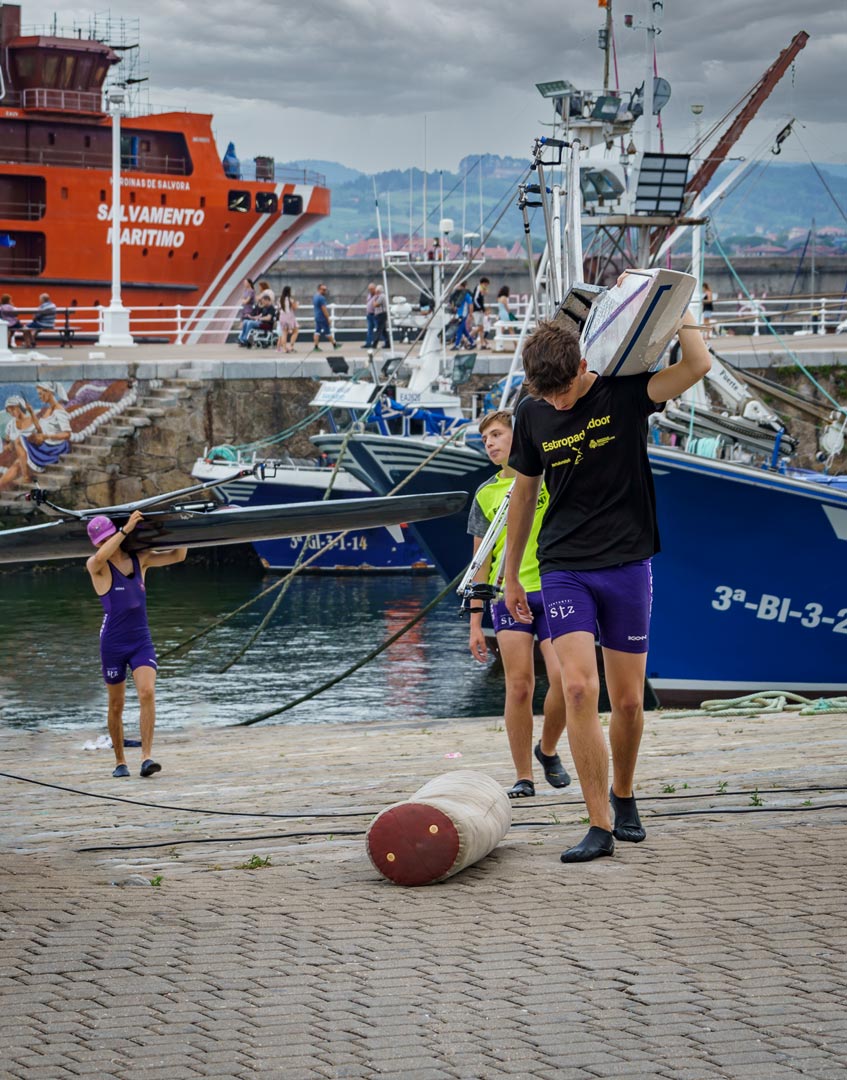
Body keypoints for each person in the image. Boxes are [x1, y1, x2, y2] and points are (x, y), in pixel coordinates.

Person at [503, 279, 711, 862]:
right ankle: (597, 824)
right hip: (563, 565)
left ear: (583, 367)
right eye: (548, 398)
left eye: (565, 392)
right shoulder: (532, 412)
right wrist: (512, 575)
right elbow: (524, 495)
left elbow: (697, 364)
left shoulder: (626, 394)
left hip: (626, 563)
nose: (558, 405)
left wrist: (678, 307)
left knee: (628, 702)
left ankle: (624, 793)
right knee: (576, 688)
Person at [467, 410, 570, 799]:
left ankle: (547, 749)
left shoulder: (549, 474)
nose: (490, 443)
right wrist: (475, 625)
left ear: (519, 435)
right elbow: (480, 563)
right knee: (520, 686)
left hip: (554, 587)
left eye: (496, 434)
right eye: (485, 439)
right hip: (507, 596)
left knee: (564, 679)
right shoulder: (486, 494)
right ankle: (524, 777)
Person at [85, 509, 187, 779]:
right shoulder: (95, 565)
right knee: (116, 705)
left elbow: (178, 556)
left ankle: (146, 758)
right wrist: (126, 528)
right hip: (113, 644)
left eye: (107, 538)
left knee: (147, 692)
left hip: (141, 641)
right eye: (101, 541)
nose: (106, 544)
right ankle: (120, 761)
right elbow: (100, 556)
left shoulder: (140, 559)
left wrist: (187, 529)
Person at [0, 394, 36, 491]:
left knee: (16, 465)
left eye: (13, 409)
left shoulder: (31, 420)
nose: (12, 412)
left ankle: (25, 477)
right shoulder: (11, 425)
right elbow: (6, 442)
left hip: (31, 453)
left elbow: (37, 437)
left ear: (20, 406)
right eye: (9, 411)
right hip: (17, 455)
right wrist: (8, 446)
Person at [311, 283, 339, 350]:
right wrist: (328, 318)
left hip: (317, 316)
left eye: (325, 290)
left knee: (317, 331)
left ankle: (316, 346)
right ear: (319, 289)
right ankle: (335, 345)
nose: (325, 291)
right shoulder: (321, 298)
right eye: (323, 290)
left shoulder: (315, 296)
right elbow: (324, 309)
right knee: (327, 332)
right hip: (322, 317)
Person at [451, 281, 475, 351]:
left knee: (459, 329)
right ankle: (472, 342)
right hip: (459, 314)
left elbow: (470, 304)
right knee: (464, 330)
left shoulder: (466, 294)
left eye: (458, 286)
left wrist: (470, 314)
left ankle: (457, 344)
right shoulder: (459, 294)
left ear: (461, 286)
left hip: (463, 314)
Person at [277, 285, 299, 353]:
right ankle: (291, 346)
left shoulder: (279, 299)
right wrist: (297, 304)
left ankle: (284, 349)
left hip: (282, 317)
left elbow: (279, 308)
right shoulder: (290, 300)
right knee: (295, 331)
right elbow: (294, 308)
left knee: (284, 333)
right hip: (289, 317)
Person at [472, 277, 490, 349]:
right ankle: (466, 338)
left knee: (481, 328)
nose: (486, 286)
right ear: (483, 283)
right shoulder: (478, 288)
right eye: (486, 285)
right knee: (480, 327)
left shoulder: (481, 289)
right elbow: (475, 299)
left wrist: (483, 309)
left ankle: (482, 344)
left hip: (480, 310)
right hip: (477, 310)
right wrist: (480, 308)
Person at [364, 282, 378, 348]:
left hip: (375, 314)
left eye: (371, 289)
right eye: (369, 289)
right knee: (369, 329)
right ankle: (368, 343)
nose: (370, 290)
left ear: (375, 289)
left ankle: (387, 342)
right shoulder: (369, 295)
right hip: (369, 314)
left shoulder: (377, 295)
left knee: (379, 329)